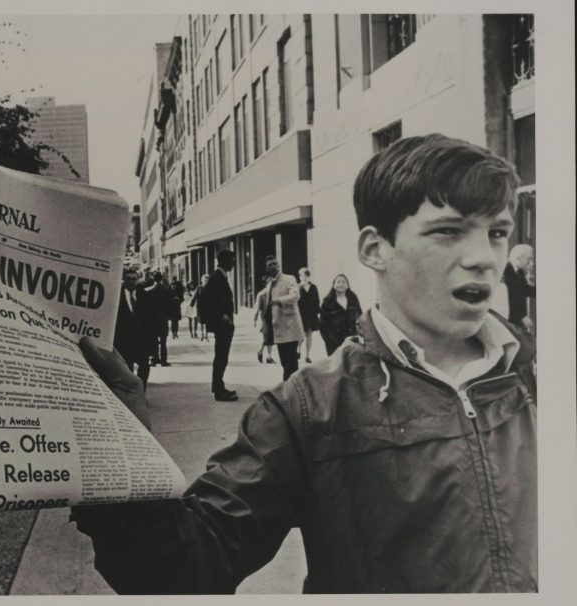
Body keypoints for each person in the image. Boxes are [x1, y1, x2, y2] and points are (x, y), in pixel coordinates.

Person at [72, 134, 536, 593]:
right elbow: (187, 568)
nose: (483, 259)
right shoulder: (309, 408)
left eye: (496, 233)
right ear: (375, 249)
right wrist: (119, 454)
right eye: (448, 232)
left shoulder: (536, 372)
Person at [197, 250, 239, 401]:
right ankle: (219, 390)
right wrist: (222, 315)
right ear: (225, 261)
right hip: (222, 325)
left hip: (224, 324)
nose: (234, 263)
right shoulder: (217, 278)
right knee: (221, 357)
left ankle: (219, 387)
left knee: (222, 357)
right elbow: (206, 300)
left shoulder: (220, 277)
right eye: (232, 260)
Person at [265, 256, 304, 380]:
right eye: (269, 265)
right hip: (278, 329)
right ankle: (288, 388)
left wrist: (278, 300)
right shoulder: (270, 283)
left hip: (290, 327)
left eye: (274, 264)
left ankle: (291, 390)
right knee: (284, 363)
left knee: (291, 363)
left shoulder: (289, 279)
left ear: (279, 265)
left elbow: (295, 296)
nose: (272, 266)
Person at [113, 266, 153, 388]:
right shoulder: (116, 296)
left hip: (142, 340)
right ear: (124, 280)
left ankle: (141, 391)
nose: (131, 281)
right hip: (124, 340)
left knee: (144, 366)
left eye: (133, 279)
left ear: (137, 280)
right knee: (127, 368)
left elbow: (151, 318)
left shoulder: (144, 296)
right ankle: (131, 393)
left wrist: (151, 339)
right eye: (128, 279)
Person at [318, 273, 363, 355]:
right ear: (334, 285)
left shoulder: (353, 298)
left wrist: (359, 335)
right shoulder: (327, 301)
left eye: (343, 282)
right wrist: (330, 340)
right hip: (334, 343)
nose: (341, 284)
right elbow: (323, 324)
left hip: (352, 340)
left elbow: (360, 316)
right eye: (338, 282)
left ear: (348, 285)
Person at [503, 243, 536, 332]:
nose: (531, 263)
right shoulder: (505, 271)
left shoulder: (519, 271)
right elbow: (508, 300)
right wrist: (521, 317)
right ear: (518, 257)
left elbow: (525, 290)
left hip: (517, 323)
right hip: (509, 322)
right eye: (528, 258)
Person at [145, 272, 172, 366]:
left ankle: (154, 359)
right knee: (163, 341)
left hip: (152, 320)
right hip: (163, 319)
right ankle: (163, 360)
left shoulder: (148, 291)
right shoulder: (166, 290)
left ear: (153, 278)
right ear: (161, 279)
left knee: (153, 340)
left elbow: (146, 308)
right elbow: (170, 306)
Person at [297, 268, 320, 363]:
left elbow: (317, 300)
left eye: (307, 276)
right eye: (303, 276)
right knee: (301, 335)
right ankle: (298, 350)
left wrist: (317, 312)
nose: (304, 278)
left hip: (311, 315)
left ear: (309, 277)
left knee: (309, 335)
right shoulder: (297, 287)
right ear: (300, 277)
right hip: (301, 315)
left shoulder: (314, 287)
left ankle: (307, 355)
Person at [252, 276, 275, 363]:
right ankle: (260, 351)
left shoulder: (274, 293)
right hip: (265, 319)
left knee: (271, 338)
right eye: (270, 282)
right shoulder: (261, 294)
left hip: (274, 318)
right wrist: (254, 319)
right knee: (267, 338)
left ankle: (269, 357)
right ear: (266, 283)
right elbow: (257, 308)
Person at [194, 274, 210, 341]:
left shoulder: (210, 288)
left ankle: (206, 335)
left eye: (207, 280)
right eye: (205, 280)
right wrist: (191, 305)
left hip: (208, 307)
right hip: (200, 307)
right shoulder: (199, 288)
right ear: (202, 280)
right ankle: (202, 334)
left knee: (207, 322)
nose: (206, 281)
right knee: (201, 322)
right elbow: (195, 296)